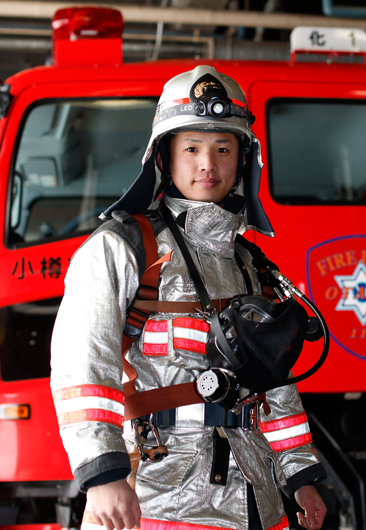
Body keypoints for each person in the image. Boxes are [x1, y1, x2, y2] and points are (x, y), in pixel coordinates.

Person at [51, 65, 327, 530]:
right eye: (192, 147)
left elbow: (271, 379)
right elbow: (83, 361)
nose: (208, 163)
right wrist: (103, 473)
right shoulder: (120, 247)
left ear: (243, 160)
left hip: (256, 500)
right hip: (154, 499)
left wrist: (299, 472)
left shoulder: (249, 263)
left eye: (223, 148)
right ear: (164, 158)